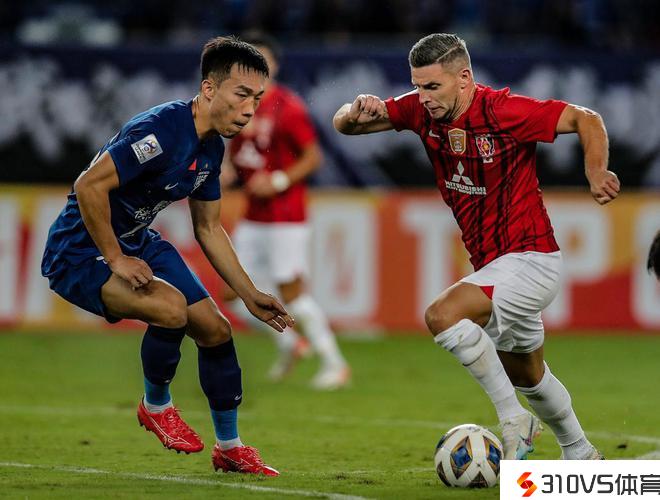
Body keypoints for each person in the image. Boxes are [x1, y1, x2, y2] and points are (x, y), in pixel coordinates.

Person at [334, 33, 620, 460]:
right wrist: (354, 109)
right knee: (528, 375)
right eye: (417, 86)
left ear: (464, 78)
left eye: (433, 86)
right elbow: (344, 125)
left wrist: (596, 171)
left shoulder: (503, 111)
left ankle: (513, 420)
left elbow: (586, 118)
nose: (423, 97)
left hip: (532, 258)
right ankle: (580, 452)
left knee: (442, 315)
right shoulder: (420, 111)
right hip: (494, 265)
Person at [41, 36, 294, 476]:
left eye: (257, 98)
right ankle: (156, 406)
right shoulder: (159, 131)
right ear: (209, 88)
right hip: (80, 251)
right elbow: (88, 185)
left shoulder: (212, 146)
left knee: (216, 329)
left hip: (138, 240)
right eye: (241, 94)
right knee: (170, 309)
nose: (250, 109)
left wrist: (249, 293)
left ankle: (230, 448)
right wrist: (116, 258)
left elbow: (208, 228)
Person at [222, 34, 350, 390]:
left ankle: (335, 363)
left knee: (292, 293)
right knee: (232, 294)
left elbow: (313, 157)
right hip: (253, 216)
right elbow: (239, 153)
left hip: (285, 217)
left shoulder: (288, 107)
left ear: (274, 66)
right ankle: (290, 343)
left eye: (262, 63)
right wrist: (227, 170)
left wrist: (278, 180)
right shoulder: (238, 106)